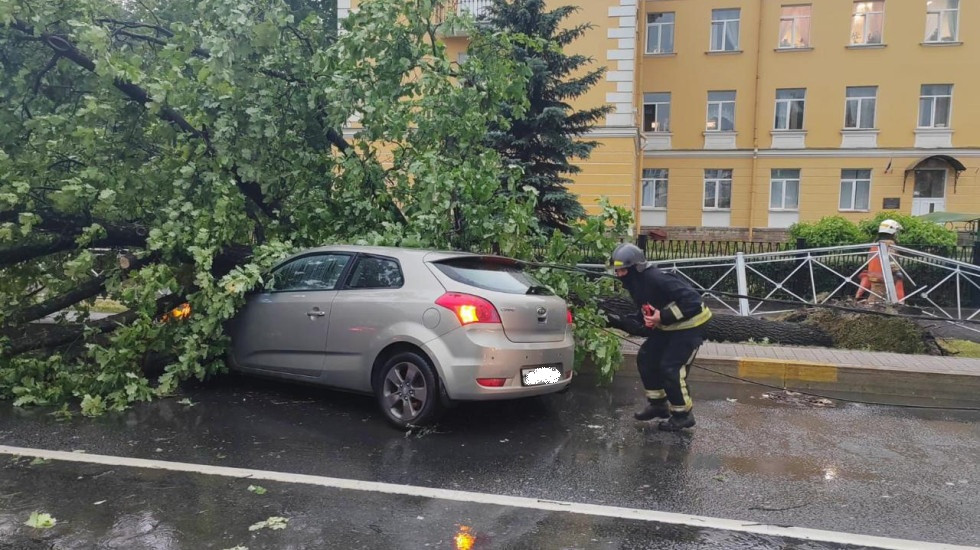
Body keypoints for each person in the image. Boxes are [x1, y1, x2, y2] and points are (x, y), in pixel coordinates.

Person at [608, 243, 712, 431]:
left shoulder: (657, 278)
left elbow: (693, 302)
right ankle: (658, 405)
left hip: (691, 326)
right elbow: (648, 306)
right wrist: (642, 319)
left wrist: (662, 317)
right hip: (670, 327)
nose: (619, 275)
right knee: (647, 358)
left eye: (623, 270)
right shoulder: (636, 283)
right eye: (617, 271)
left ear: (635, 267)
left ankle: (683, 415)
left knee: (670, 367)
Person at [855, 219, 905, 303]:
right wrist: (897, 272)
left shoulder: (875, 244)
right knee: (885, 300)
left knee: (875, 299)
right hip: (885, 277)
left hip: (873, 275)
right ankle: (898, 305)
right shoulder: (889, 244)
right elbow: (891, 260)